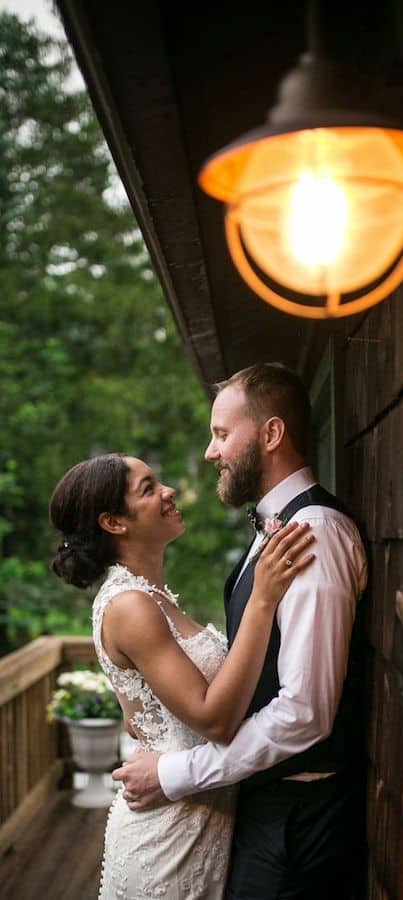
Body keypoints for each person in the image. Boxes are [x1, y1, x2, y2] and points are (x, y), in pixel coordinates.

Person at [115, 363, 368, 900]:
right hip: (265, 807)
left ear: (271, 434)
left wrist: (176, 773)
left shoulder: (314, 533)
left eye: (222, 434)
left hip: (299, 820)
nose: (211, 452)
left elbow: (305, 712)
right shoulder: (277, 527)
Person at [49, 451, 314, 900]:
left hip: (203, 819)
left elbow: (144, 715)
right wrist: (263, 600)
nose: (169, 492)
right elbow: (213, 720)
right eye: (149, 489)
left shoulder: (150, 597)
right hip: (168, 841)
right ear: (114, 522)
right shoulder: (129, 605)